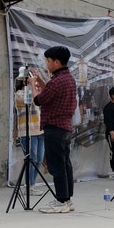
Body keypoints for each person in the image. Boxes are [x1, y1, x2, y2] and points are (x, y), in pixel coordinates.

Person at [31, 46, 78, 213]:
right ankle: (67, 199)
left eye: (49, 61)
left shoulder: (57, 80)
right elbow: (50, 91)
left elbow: (39, 100)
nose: (47, 65)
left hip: (54, 127)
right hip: (65, 127)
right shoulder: (67, 79)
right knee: (65, 164)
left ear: (57, 62)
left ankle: (61, 201)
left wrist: (32, 85)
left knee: (56, 166)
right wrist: (40, 82)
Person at [14, 78, 45, 194]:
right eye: (32, 82)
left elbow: (42, 100)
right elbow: (29, 101)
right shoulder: (19, 95)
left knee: (39, 160)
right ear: (24, 82)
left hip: (40, 131)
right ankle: (29, 186)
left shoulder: (36, 93)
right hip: (27, 132)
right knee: (31, 159)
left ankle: (31, 184)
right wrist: (33, 87)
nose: (35, 85)